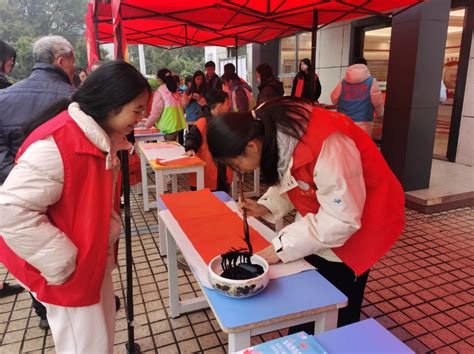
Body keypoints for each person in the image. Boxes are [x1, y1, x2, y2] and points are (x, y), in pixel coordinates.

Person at [206, 96, 405, 330]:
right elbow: (291, 173)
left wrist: (281, 247)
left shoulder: (328, 143)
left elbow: (342, 219)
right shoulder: (266, 124)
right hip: (332, 210)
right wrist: (266, 206)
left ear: (251, 146)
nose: (239, 171)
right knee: (309, 297)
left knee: (336, 305)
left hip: (365, 217)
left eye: (236, 166)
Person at [0, 61, 151, 353]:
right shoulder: (59, 143)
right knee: (86, 347)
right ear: (111, 104)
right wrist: (64, 263)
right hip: (70, 272)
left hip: (89, 262)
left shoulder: (96, 137)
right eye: (137, 109)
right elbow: (8, 210)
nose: (142, 118)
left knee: (100, 340)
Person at [0, 35, 75, 184]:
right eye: (72, 62)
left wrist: (19, 179)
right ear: (61, 62)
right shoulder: (76, 99)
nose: (74, 68)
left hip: (15, 189)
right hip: (65, 187)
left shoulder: (3, 97)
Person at [184, 89, 233, 192]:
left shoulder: (227, 123)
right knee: (202, 202)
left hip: (222, 172)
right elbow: (191, 137)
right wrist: (191, 148)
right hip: (205, 172)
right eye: (227, 103)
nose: (229, 107)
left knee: (222, 200)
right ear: (219, 106)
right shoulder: (203, 123)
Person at [330, 58, 384, 137]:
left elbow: (334, 99)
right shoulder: (371, 82)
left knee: (346, 146)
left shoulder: (343, 82)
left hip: (344, 121)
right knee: (362, 147)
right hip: (364, 121)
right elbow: (377, 102)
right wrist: (380, 114)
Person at [144, 68, 185, 142]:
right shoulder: (174, 90)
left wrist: (146, 125)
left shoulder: (160, 91)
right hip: (177, 126)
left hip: (166, 127)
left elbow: (156, 113)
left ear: (160, 79)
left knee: (166, 151)